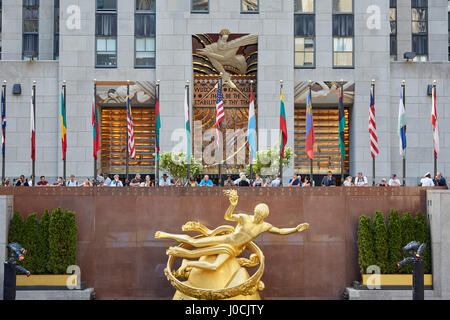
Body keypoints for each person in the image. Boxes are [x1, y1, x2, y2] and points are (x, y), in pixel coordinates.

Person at [155, 189, 309, 274]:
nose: (257, 217)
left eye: (260, 216)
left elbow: (281, 231)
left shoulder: (264, 226)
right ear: (254, 211)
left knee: (215, 266)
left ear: (264, 217)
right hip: (226, 240)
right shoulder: (244, 217)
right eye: (256, 214)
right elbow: (227, 216)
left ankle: (188, 263)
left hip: (233, 250)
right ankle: (166, 235)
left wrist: (295, 229)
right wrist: (233, 205)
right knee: (194, 242)